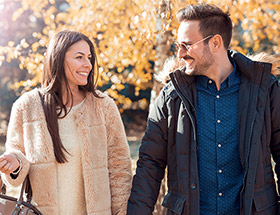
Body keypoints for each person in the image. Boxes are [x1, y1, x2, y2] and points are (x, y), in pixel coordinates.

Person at [127, 3, 280, 215]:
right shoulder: (171, 96)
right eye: (178, 45)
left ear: (215, 43)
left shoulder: (265, 90)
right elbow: (149, 165)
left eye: (187, 45)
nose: (180, 54)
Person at [0, 30, 132, 215]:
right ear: (58, 58)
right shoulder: (26, 106)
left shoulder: (104, 106)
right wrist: (14, 162)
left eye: (89, 57)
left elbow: (120, 172)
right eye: (79, 57)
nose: (88, 64)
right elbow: (16, 159)